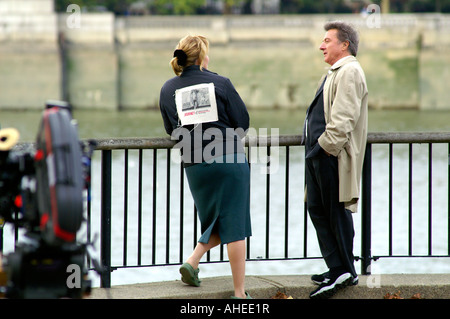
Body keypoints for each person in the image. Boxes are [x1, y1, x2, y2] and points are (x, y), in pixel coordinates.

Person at [159, 35, 252, 299]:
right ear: (201, 57)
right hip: (228, 158)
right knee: (235, 226)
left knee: (216, 219)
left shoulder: (167, 89)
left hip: (194, 164)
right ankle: (239, 293)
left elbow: (171, 129)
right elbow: (242, 123)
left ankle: (193, 260)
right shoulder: (220, 82)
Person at [301, 21, 368, 299]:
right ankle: (336, 266)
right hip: (321, 155)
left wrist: (325, 148)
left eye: (327, 40)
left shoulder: (350, 71)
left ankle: (344, 269)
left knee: (336, 211)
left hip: (331, 156)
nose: (321, 45)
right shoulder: (336, 71)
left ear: (344, 45)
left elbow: (343, 119)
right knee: (317, 208)